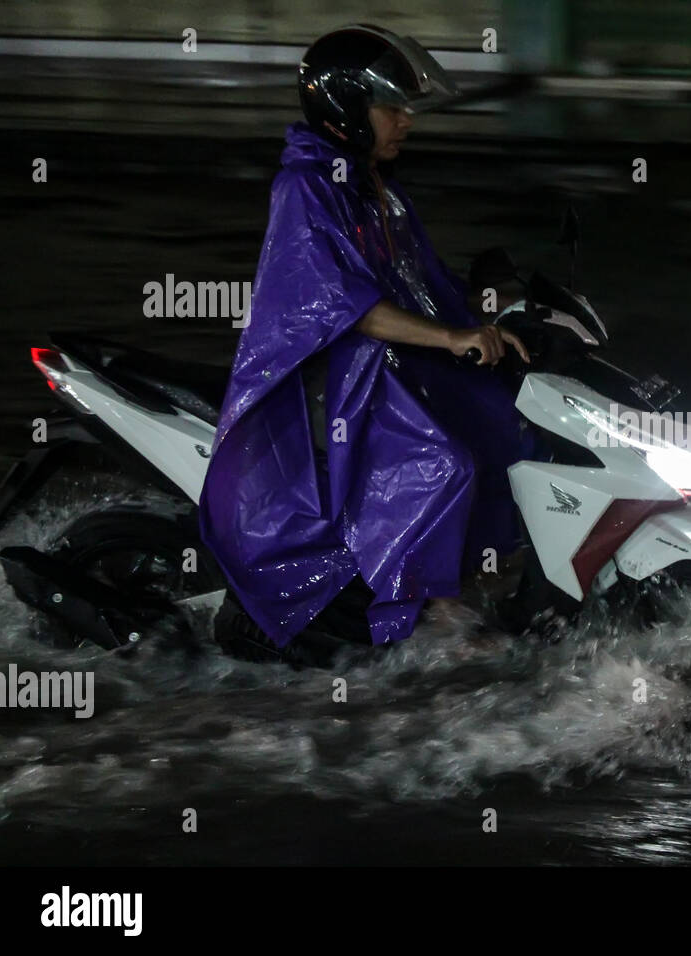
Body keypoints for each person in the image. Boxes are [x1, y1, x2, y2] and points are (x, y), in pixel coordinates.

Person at [199, 23, 536, 649]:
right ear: (348, 111)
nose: (405, 119)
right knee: (443, 464)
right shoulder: (306, 188)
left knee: (504, 420)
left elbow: (421, 284)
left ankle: (484, 575)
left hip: (383, 367)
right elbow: (348, 308)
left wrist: (497, 309)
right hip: (327, 382)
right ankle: (425, 607)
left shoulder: (376, 187)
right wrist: (452, 340)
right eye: (391, 107)